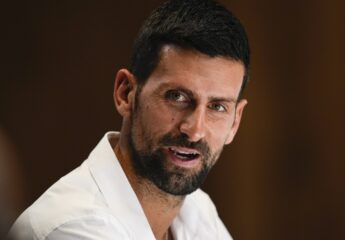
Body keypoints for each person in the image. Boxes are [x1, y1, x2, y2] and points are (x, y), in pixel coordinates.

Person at [9, 0, 250, 239]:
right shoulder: (71, 227)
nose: (195, 130)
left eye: (217, 107)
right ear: (125, 93)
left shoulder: (198, 211)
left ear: (235, 122)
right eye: (177, 96)